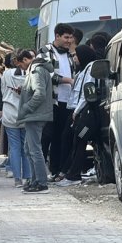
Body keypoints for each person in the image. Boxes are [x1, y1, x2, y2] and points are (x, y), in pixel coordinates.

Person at [56, 45, 99, 187]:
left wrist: (76, 111)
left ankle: (73, 176)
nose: (74, 58)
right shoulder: (84, 69)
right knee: (75, 142)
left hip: (85, 113)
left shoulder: (90, 69)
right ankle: (69, 173)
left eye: (76, 55)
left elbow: (86, 92)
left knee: (80, 142)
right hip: (79, 112)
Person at [37, 23, 75, 182]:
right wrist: (68, 80)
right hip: (52, 101)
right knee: (47, 136)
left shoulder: (69, 54)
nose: (69, 41)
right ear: (57, 36)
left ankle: (57, 170)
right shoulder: (45, 51)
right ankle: (38, 171)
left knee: (62, 137)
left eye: (71, 38)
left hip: (68, 102)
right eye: (66, 37)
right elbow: (44, 73)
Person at [17, 54, 54, 194]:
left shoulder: (35, 70)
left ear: (26, 60)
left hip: (35, 115)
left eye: (21, 65)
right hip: (37, 115)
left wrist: (27, 107)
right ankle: (34, 180)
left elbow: (40, 94)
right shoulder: (40, 70)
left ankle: (41, 183)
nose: (21, 67)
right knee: (28, 148)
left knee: (34, 149)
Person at [2, 49, 34, 188]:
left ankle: (17, 179)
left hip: (9, 112)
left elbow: (3, 90)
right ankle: (27, 177)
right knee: (25, 147)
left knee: (14, 147)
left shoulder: (6, 74)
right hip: (25, 113)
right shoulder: (30, 75)